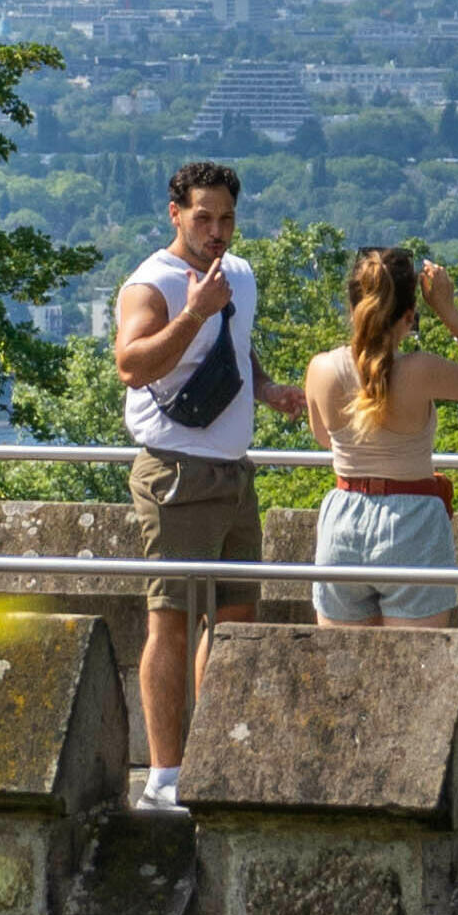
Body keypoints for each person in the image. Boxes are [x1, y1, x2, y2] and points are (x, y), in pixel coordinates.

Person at [112, 159, 305, 801]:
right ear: (175, 213)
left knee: (233, 618)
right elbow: (131, 364)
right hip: (173, 472)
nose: (217, 230)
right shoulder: (152, 282)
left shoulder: (239, 276)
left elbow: (235, 341)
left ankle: (213, 761)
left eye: (226, 218)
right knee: (169, 619)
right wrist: (193, 312)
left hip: (233, 471)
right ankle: (164, 776)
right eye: (204, 217)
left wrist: (267, 386)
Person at [299, 246, 458, 624]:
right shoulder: (421, 369)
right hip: (412, 520)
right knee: (418, 673)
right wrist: (449, 311)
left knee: (341, 670)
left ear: (353, 308)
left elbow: (323, 438)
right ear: (409, 316)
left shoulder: (321, 369)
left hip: (343, 517)